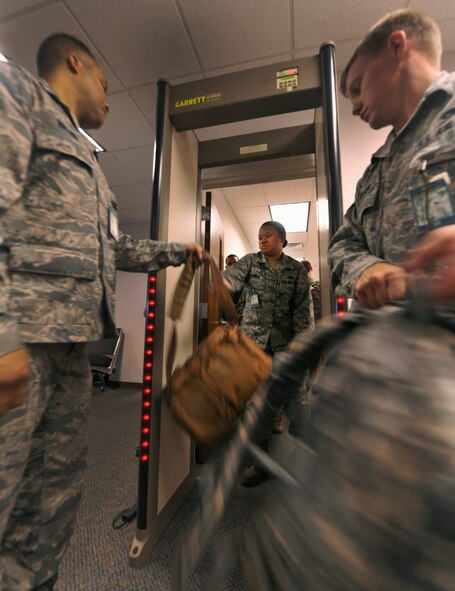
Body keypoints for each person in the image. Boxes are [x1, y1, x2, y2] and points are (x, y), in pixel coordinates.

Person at [0, 33, 203, 591]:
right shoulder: (16, 94)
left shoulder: (93, 166)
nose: (110, 99)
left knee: (52, 493)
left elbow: (113, 252)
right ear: (75, 63)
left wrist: (179, 252)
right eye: (107, 85)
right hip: (21, 344)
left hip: (70, 348)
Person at [328, 9, 454, 310]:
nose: (355, 108)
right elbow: (343, 243)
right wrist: (366, 268)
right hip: (393, 341)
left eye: (357, 88)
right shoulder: (378, 167)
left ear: (397, 47)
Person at [224, 220, 313, 486]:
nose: (262, 239)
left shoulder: (296, 271)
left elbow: (302, 312)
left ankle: (306, 459)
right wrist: (224, 283)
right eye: (259, 236)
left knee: (296, 402)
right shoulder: (250, 262)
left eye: (268, 235)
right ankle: (260, 463)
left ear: (282, 240)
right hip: (254, 349)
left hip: (286, 347)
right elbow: (231, 279)